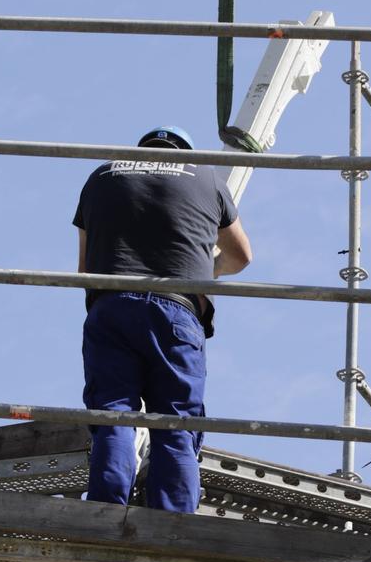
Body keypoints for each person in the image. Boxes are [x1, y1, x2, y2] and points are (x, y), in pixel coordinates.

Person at [72, 126, 253, 513]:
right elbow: (241, 256)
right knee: (175, 420)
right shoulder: (206, 178)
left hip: (111, 306)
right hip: (176, 309)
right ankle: (172, 522)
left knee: (113, 413)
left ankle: (104, 512)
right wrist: (206, 269)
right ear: (184, 153)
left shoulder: (101, 177)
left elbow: (84, 267)